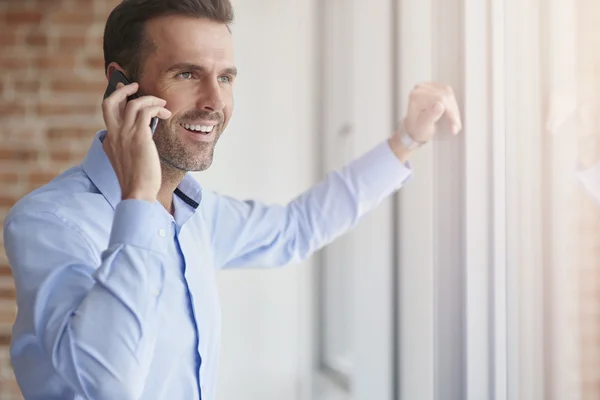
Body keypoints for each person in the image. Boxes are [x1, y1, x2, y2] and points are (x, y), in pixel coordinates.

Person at [2, 0, 462, 399]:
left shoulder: (195, 213)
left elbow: (297, 228)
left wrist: (408, 139)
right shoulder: (49, 223)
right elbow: (110, 384)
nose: (214, 101)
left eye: (225, 77)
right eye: (187, 74)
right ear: (121, 86)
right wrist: (137, 197)